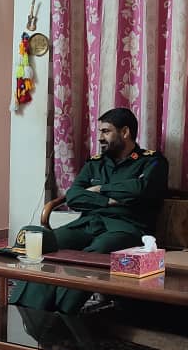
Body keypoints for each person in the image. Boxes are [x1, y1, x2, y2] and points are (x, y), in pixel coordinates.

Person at [11, 107, 169, 314]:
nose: (100, 137)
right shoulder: (95, 163)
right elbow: (74, 196)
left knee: (94, 254)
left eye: (106, 131)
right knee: (45, 245)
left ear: (125, 132)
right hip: (88, 224)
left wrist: (100, 189)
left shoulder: (152, 161)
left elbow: (140, 190)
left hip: (126, 228)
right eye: (100, 131)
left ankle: (60, 315)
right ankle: (24, 312)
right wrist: (109, 200)